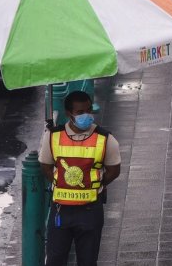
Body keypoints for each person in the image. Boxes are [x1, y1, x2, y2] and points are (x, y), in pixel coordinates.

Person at [39, 91, 121, 266]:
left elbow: (114, 170)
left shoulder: (105, 138)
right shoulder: (52, 137)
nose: (86, 115)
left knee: (88, 261)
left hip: (90, 211)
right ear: (69, 113)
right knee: (54, 260)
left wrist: (95, 185)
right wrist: (61, 183)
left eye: (89, 110)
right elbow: (45, 166)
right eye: (80, 112)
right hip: (60, 211)